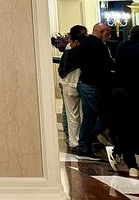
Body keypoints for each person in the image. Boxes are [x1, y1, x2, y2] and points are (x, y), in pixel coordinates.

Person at [77, 22, 114, 160]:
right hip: (92, 86)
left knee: (88, 118)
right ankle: (87, 142)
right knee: (106, 117)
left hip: (84, 84)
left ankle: (83, 149)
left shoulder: (85, 42)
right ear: (102, 31)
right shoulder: (98, 46)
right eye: (108, 33)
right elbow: (108, 64)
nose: (109, 36)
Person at [109, 25, 139, 177]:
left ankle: (130, 163)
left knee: (124, 128)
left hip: (119, 93)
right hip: (133, 94)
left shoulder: (122, 46)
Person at [59, 25, 88, 151]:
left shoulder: (67, 50)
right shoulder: (83, 50)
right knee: (83, 115)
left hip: (67, 83)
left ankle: (74, 142)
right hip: (78, 84)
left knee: (72, 116)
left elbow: (62, 69)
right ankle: (81, 142)